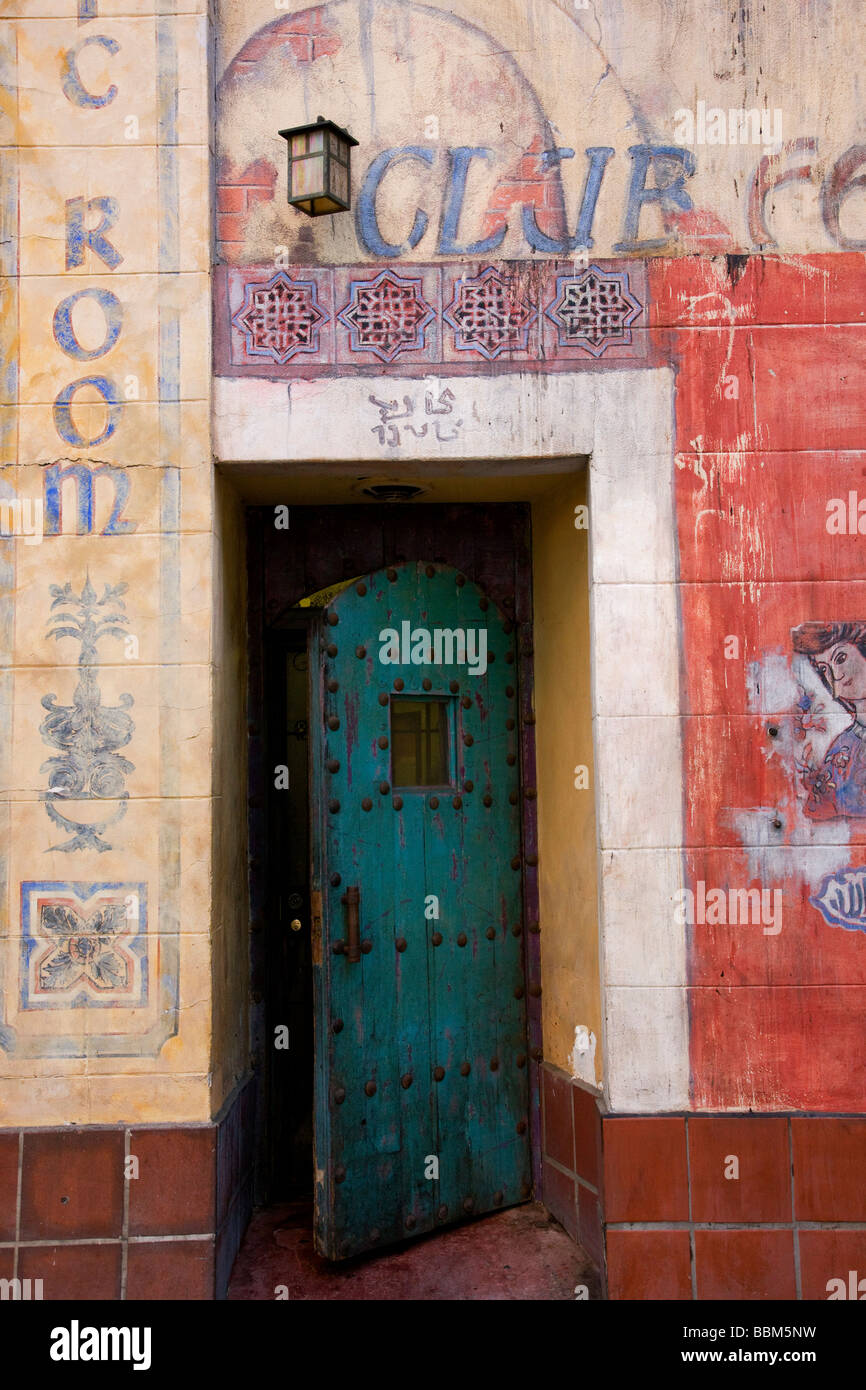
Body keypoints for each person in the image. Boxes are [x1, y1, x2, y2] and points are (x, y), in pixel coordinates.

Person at [792, 621, 866, 819]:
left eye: (840, 658)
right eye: (824, 669)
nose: (836, 675)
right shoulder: (843, 749)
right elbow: (821, 817)